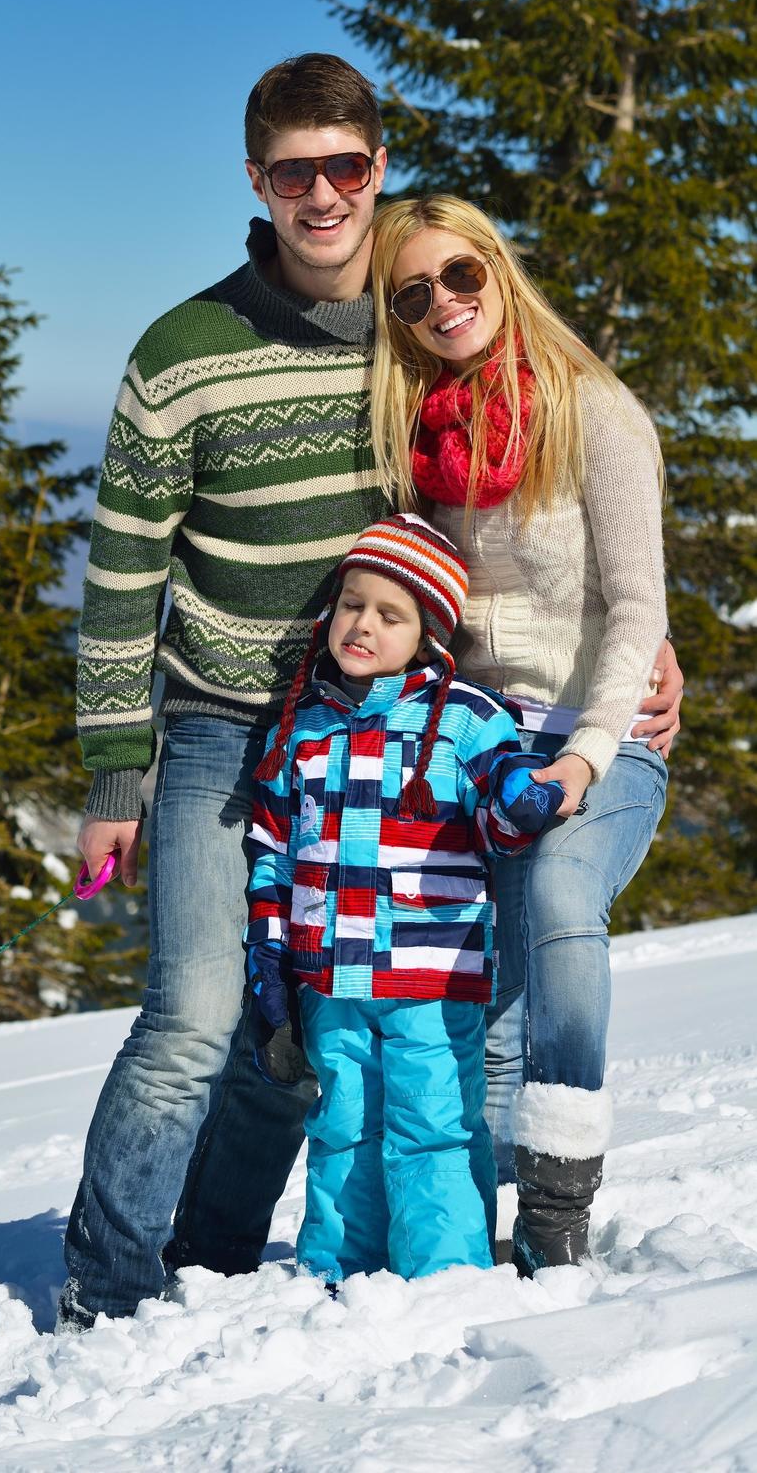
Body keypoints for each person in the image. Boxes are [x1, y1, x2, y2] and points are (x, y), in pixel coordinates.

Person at [60, 55, 680, 1329]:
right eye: (297, 172)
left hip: (395, 740)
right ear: (258, 181)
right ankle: (110, 1287)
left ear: (377, 167)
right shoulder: (188, 351)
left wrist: (639, 660)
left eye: (346, 166)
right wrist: (117, 774)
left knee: (355, 1015)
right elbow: (122, 574)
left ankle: (234, 1257)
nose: (324, 193)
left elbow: (540, 553)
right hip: (228, 726)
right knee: (196, 1017)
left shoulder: (409, 358)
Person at [369, 194, 670, 1274]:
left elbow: (639, 610)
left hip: (605, 737)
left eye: (460, 276)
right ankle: (472, 1224)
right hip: (478, 748)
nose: (443, 303)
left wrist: (589, 752)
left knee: (554, 895)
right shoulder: (415, 437)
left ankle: (558, 1201)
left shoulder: (592, 411)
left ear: (497, 271)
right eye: (413, 294)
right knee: (475, 985)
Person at [245, 514, 562, 1282]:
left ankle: (443, 1275)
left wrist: (519, 799)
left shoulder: (465, 719)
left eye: (390, 615)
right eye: (352, 603)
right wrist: (271, 953)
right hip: (330, 978)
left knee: (433, 1124)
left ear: (427, 635)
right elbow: (271, 848)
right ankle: (340, 1273)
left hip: (430, 975)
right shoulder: (301, 726)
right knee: (344, 1124)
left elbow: (497, 817)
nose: (362, 624)